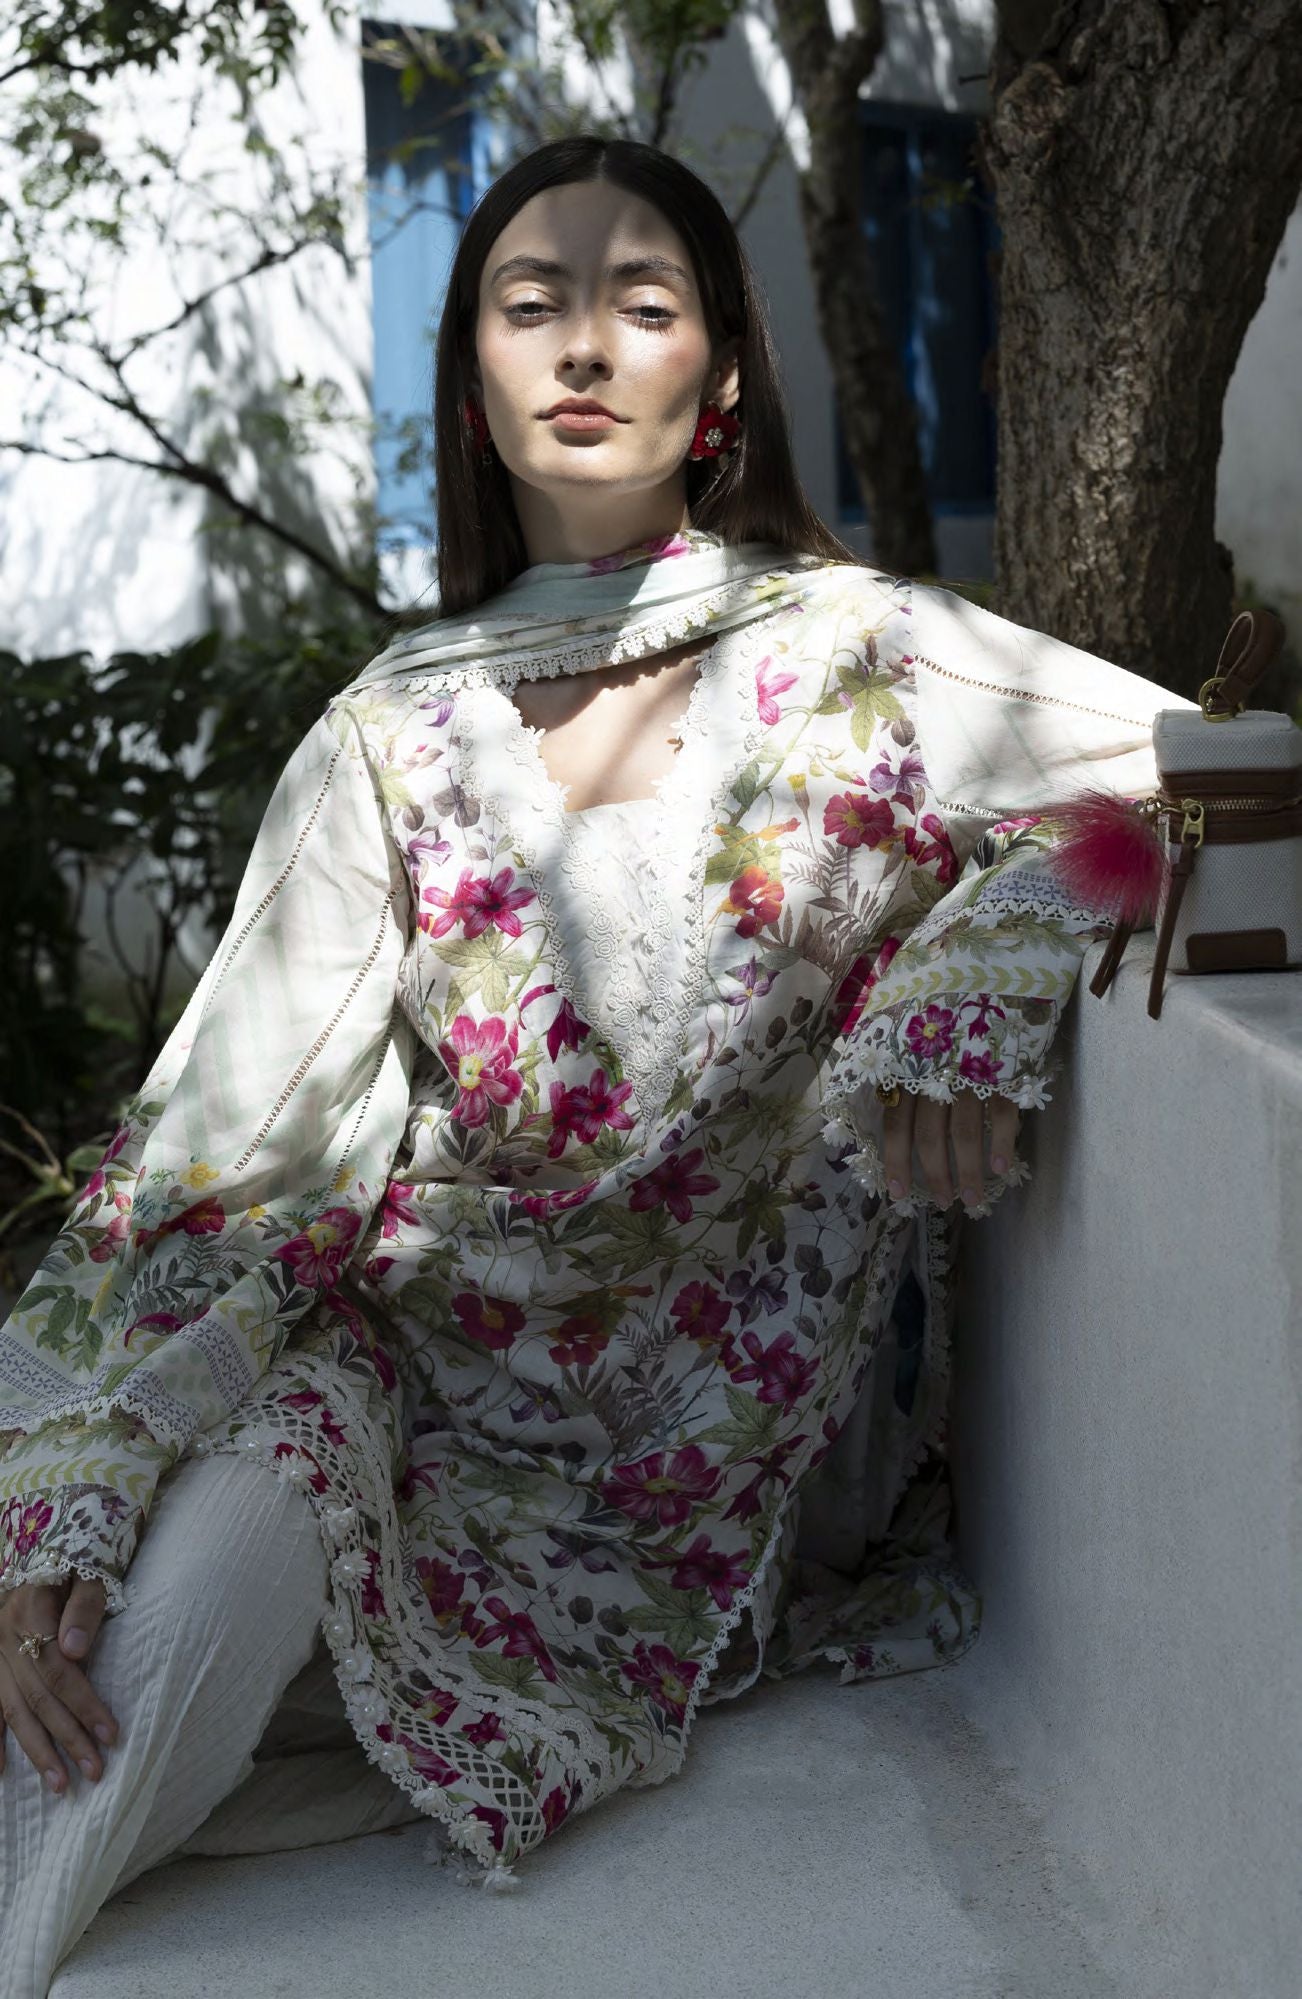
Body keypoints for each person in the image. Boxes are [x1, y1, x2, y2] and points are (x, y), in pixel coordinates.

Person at [0, 133, 1196, 1984]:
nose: (578, 344)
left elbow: (1206, 780)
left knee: (158, 1686)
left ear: (718, 384)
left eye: (638, 303)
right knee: (139, 1632)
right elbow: (242, 1144)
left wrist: (971, 964)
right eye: (526, 304)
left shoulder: (867, 656)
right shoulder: (389, 733)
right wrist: (76, 1481)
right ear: (472, 383)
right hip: (402, 1363)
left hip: (699, 1460)